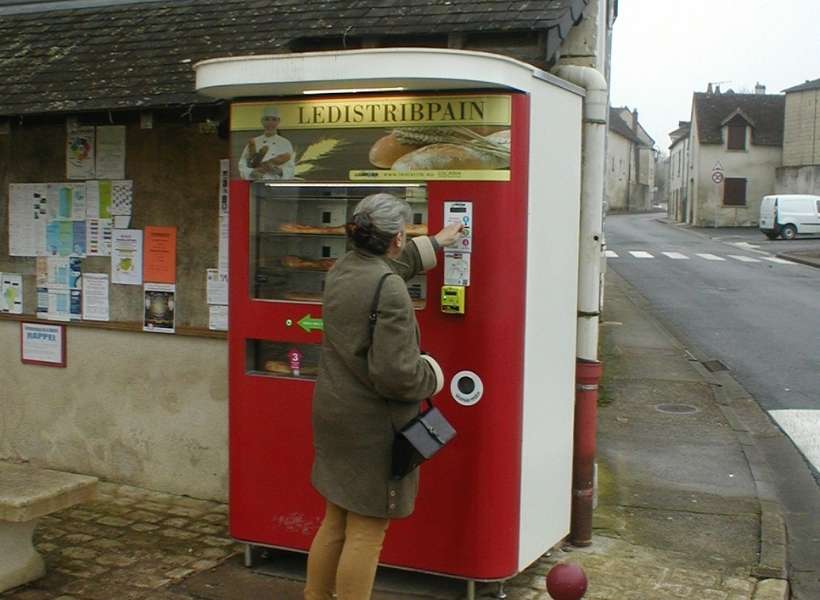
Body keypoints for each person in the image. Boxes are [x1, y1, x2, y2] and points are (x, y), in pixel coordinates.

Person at [304, 193, 463, 600]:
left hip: (335, 413)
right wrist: (434, 374)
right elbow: (397, 376)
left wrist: (437, 241)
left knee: (336, 521)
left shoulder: (342, 268)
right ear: (395, 238)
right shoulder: (389, 288)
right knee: (368, 531)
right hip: (372, 427)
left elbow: (388, 270)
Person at [237, 106, 295, 180]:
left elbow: (291, 167)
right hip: (256, 184)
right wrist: (251, 172)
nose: (270, 123)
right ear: (262, 121)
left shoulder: (285, 143)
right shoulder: (254, 142)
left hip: (277, 184)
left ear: (278, 121)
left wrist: (279, 171)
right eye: (267, 119)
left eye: (274, 120)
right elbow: (243, 162)